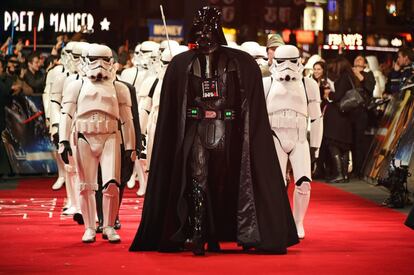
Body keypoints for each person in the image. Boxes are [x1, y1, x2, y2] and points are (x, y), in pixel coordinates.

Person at [130, 6, 298, 256]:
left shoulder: (238, 64)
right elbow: (172, 109)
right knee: (198, 179)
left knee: (227, 180)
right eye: (200, 33)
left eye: (208, 32)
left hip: (229, 132)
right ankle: (198, 230)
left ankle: (228, 231)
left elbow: (247, 107)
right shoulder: (181, 65)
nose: (204, 39)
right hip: (198, 130)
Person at [59, 44, 136, 243]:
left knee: (112, 184)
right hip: (84, 136)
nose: (99, 65)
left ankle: (109, 226)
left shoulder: (119, 88)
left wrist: (131, 147)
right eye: (93, 59)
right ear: (85, 60)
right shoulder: (75, 85)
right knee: (86, 186)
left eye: (104, 60)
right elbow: (66, 114)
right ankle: (89, 227)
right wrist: (63, 140)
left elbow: (128, 121)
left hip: (110, 135)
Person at [266, 45, 323, 239]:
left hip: (299, 138)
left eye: (292, 61)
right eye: (282, 62)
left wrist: (315, 146)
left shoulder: (309, 85)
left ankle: (298, 222)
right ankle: (278, 221)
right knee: (276, 183)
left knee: (304, 183)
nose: (287, 67)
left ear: (299, 61)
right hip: (274, 136)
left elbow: (316, 118)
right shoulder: (267, 83)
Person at [323, 57, 355, 183]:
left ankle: (339, 173)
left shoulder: (343, 78)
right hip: (346, 116)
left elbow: (338, 96)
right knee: (344, 145)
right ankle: (345, 174)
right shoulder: (350, 77)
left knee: (333, 142)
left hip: (337, 115)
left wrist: (328, 94)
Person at [350, 55, 375, 178]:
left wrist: (359, 75)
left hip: (362, 112)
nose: (358, 60)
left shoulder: (369, 75)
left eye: (361, 60)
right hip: (350, 112)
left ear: (365, 64)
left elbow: (370, 88)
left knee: (360, 142)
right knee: (352, 142)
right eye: (356, 59)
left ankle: (360, 170)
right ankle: (354, 168)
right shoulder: (349, 74)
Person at [311, 61, 330, 179]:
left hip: (323, 114)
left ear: (323, 70)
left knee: (321, 141)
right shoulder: (310, 81)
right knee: (312, 142)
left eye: (319, 69)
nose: (316, 71)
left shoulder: (326, 83)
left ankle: (320, 169)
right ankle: (314, 168)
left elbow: (326, 98)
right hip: (312, 115)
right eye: (315, 69)